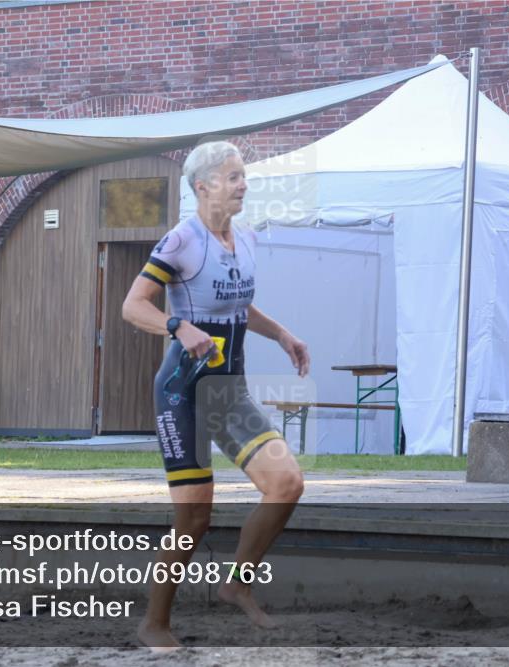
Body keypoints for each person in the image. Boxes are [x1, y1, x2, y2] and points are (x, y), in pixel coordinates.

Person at [121, 140, 310, 651]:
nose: (242, 183)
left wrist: (284, 335)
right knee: (194, 518)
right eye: (232, 176)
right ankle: (154, 623)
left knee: (287, 483)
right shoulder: (181, 241)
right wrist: (177, 326)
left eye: (242, 175)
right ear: (203, 187)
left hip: (228, 393)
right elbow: (133, 305)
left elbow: (240, 305)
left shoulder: (245, 238)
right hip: (183, 393)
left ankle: (237, 582)